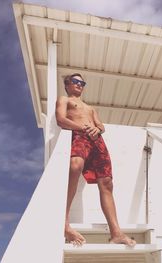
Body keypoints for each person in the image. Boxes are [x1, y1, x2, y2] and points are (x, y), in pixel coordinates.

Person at [55, 73, 136, 247]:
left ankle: (116, 233)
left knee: (106, 182)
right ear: (67, 84)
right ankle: (64, 223)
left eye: (82, 83)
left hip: (97, 142)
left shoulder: (90, 108)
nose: (79, 85)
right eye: (75, 81)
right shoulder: (64, 99)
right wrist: (83, 129)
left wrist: (97, 130)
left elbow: (101, 125)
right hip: (79, 136)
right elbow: (61, 119)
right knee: (75, 166)